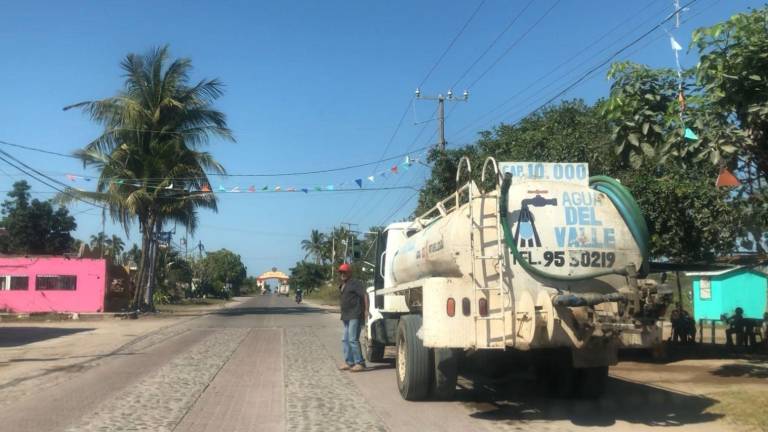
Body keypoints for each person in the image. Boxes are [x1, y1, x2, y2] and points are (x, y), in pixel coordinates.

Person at [338, 263, 368, 372]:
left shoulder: (355, 283)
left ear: (349, 273)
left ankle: (360, 363)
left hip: (355, 315)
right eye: (341, 272)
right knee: (345, 340)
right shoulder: (343, 284)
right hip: (346, 316)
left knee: (352, 339)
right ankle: (349, 362)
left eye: (345, 272)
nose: (342, 274)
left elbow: (365, 295)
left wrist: (366, 310)